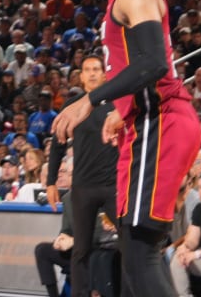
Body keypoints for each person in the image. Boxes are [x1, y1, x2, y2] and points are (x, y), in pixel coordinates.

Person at [52, 0, 201, 297]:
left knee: (138, 247)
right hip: (146, 120)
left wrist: (92, 99)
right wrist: (122, 110)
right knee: (136, 247)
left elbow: (153, 64)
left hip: (162, 118)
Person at [47, 56, 119, 297]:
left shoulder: (119, 104)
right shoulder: (73, 105)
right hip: (83, 187)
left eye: (96, 69)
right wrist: (50, 183)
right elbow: (57, 145)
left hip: (114, 185)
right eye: (86, 70)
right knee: (81, 250)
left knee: (130, 245)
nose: (91, 74)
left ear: (105, 74)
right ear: (81, 75)